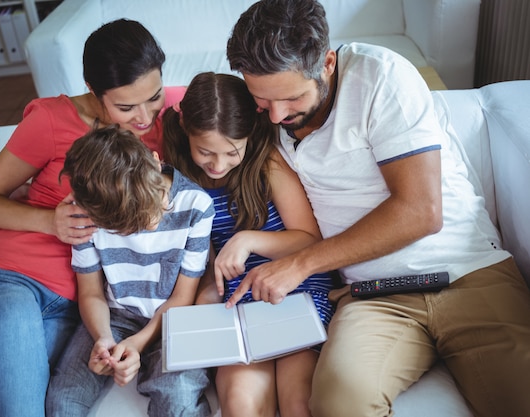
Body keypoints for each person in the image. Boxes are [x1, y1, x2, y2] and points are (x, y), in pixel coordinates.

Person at [225, 1, 530, 417]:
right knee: (337, 403)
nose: (277, 115)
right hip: (373, 297)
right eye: (262, 99)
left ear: (327, 63)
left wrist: (300, 265)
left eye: (292, 97)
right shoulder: (265, 115)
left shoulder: (380, 76)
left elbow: (422, 210)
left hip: (468, 273)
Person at [0, 19, 184, 417]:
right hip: (10, 282)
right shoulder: (52, 120)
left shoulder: (171, 118)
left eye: (154, 97)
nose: (144, 118)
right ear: (93, 90)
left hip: (82, 308)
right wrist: (48, 222)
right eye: (126, 107)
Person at [162, 72, 335, 417]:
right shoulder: (178, 173)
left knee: (298, 401)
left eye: (231, 152)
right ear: (185, 127)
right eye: (205, 152)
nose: (218, 164)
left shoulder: (266, 162)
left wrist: (247, 240)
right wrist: (207, 295)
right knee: (241, 406)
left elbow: (309, 239)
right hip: (236, 301)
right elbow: (202, 260)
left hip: (295, 289)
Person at [45, 126, 214, 417]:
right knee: (63, 401)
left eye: (157, 202)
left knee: (177, 402)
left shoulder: (196, 206)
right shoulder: (85, 215)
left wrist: (138, 343)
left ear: (156, 160)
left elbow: (182, 297)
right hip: (114, 315)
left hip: (175, 318)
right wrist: (103, 338)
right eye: (135, 225)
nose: (153, 222)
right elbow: (91, 292)